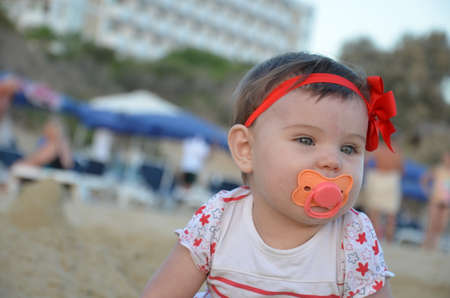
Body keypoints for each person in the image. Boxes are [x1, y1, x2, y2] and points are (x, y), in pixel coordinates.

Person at [141, 52, 396, 298]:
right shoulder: (219, 220)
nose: (333, 161)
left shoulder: (353, 236)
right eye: (306, 140)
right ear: (246, 149)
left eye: (349, 148)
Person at [364, 141, 404, 242]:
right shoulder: (396, 151)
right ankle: (387, 239)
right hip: (389, 178)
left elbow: (366, 160)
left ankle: (375, 238)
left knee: (376, 211)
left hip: (381, 177)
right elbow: (401, 169)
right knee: (388, 212)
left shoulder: (379, 149)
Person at [421, 151, 450, 251]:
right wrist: (427, 192)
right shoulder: (438, 169)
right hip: (436, 200)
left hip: (446, 202)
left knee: (441, 225)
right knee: (431, 223)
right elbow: (425, 179)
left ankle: (434, 245)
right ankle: (426, 244)